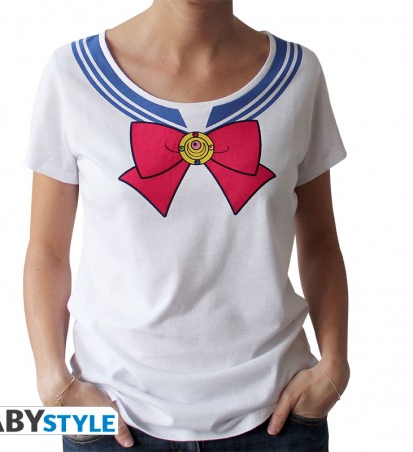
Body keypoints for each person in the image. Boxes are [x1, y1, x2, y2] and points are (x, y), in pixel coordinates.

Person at [22, 0, 351, 450]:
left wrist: (334, 366)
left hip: (278, 418)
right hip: (109, 417)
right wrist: (53, 382)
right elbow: (47, 249)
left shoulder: (299, 74)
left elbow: (320, 239)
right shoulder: (72, 74)